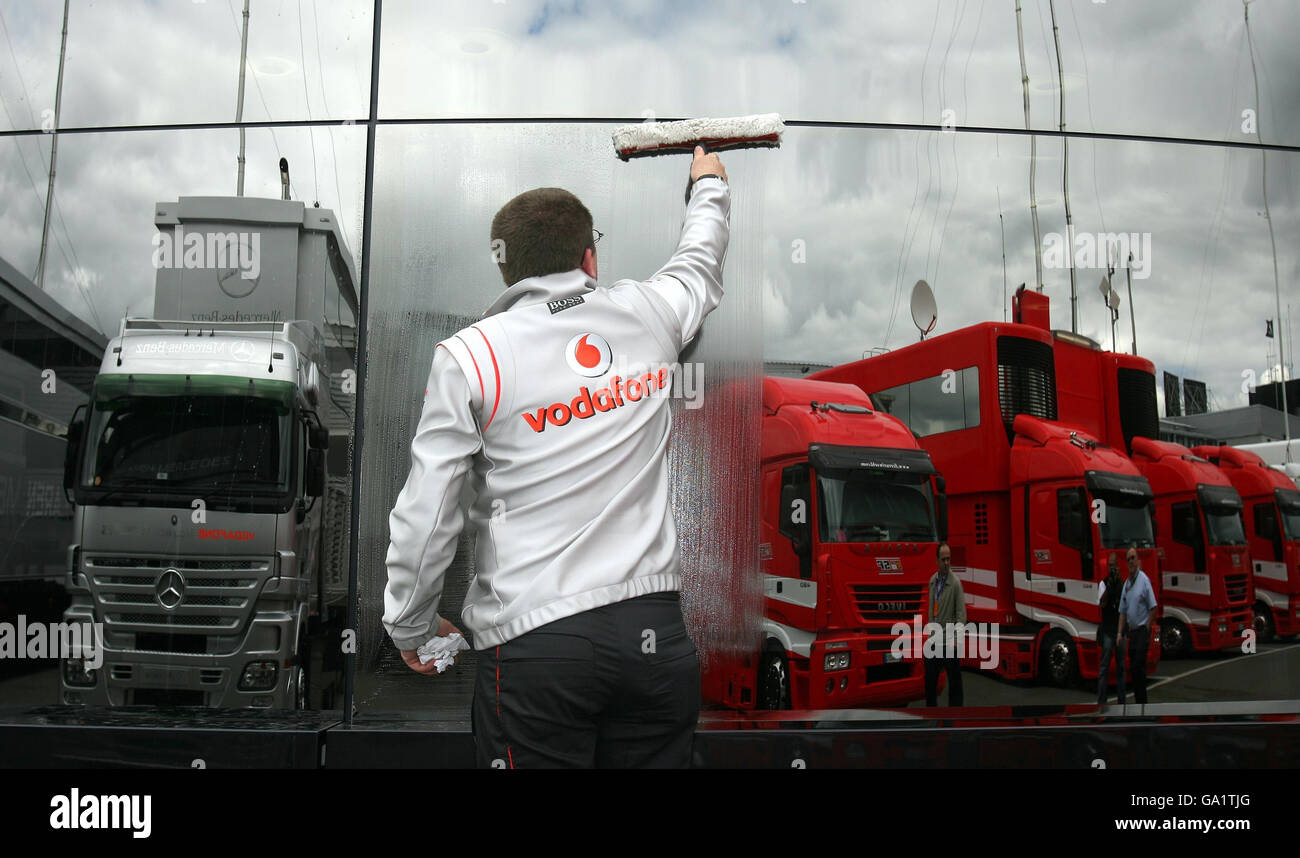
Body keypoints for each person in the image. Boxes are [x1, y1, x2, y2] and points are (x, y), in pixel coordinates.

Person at [382, 146, 731, 768]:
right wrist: (708, 185)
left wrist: (410, 624)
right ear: (588, 258)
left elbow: (430, 510)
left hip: (534, 647)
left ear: (506, 271)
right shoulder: (646, 315)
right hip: (652, 639)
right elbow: (700, 261)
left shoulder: (471, 355)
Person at [924, 541, 965, 707]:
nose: (947, 563)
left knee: (955, 682)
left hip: (949, 640)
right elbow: (931, 610)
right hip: (935, 639)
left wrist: (956, 640)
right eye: (943, 559)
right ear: (937, 560)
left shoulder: (955, 584)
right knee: (930, 680)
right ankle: (931, 713)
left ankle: (955, 716)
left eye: (949, 559)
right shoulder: (932, 581)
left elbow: (961, 615)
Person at [1116, 545, 1157, 705]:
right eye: (1128, 559)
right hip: (1131, 633)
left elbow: (1153, 607)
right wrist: (1119, 633)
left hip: (1141, 631)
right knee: (1134, 669)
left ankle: (1143, 704)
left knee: (1138, 665)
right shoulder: (1126, 584)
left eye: (1133, 558)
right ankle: (1139, 703)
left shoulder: (1144, 580)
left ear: (1138, 560)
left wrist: (1147, 627)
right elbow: (1122, 612)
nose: (1131, 561)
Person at [1096, 552, 1125, 705]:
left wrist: (1118, 581)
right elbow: (1102, 603)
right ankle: (1102, 700)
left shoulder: (1122, 583)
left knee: (1121, 668)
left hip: (1120, 630)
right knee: (1104, 667)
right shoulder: (1103, 583)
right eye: (1109, 565)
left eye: (1114, 565)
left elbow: (1124, 601)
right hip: (1108, 630)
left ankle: (1122, 701)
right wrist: (1109, 586)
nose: (1111, 568)